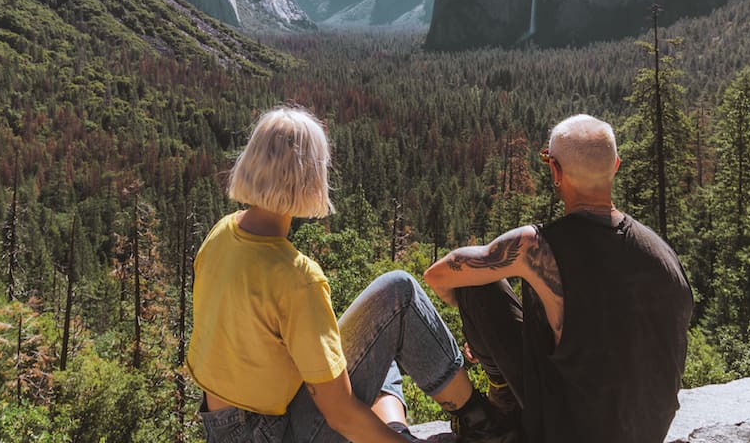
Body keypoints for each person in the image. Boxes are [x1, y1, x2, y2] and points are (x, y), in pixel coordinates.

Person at [187, 106, 519, 443]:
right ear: (311, 177)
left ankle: (411, 428)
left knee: (369, 343)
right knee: (399, 294)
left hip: (226, 428)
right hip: (270, 433)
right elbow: (340, 413)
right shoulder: (296, 277)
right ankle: (482, 423)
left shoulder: (222, 233)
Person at [424, 114, 693, 443]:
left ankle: (502, 407)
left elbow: (437, 274)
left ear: (555, 170)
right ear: (616, 167)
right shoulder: (664, 255)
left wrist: (479, 332)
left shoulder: (536, 246)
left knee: (479, 282)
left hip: (566, 431)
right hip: (647, 432)